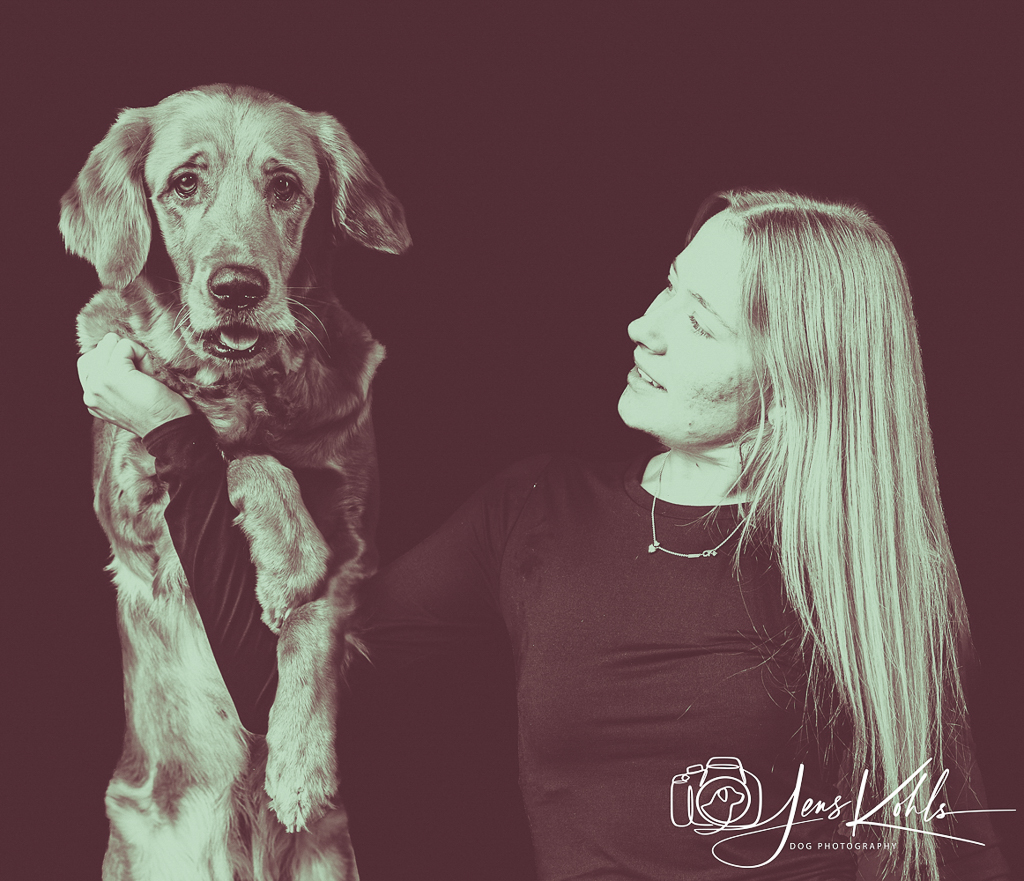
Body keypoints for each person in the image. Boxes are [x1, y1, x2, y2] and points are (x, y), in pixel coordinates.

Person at [78, 189, 1013, 880]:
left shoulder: (865, 575)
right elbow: (281, 692)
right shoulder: (535, 510)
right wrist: (176, 437)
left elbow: (953, 850)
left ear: (797, 379)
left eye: (699, 322)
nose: (644, 326)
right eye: (669, 287)